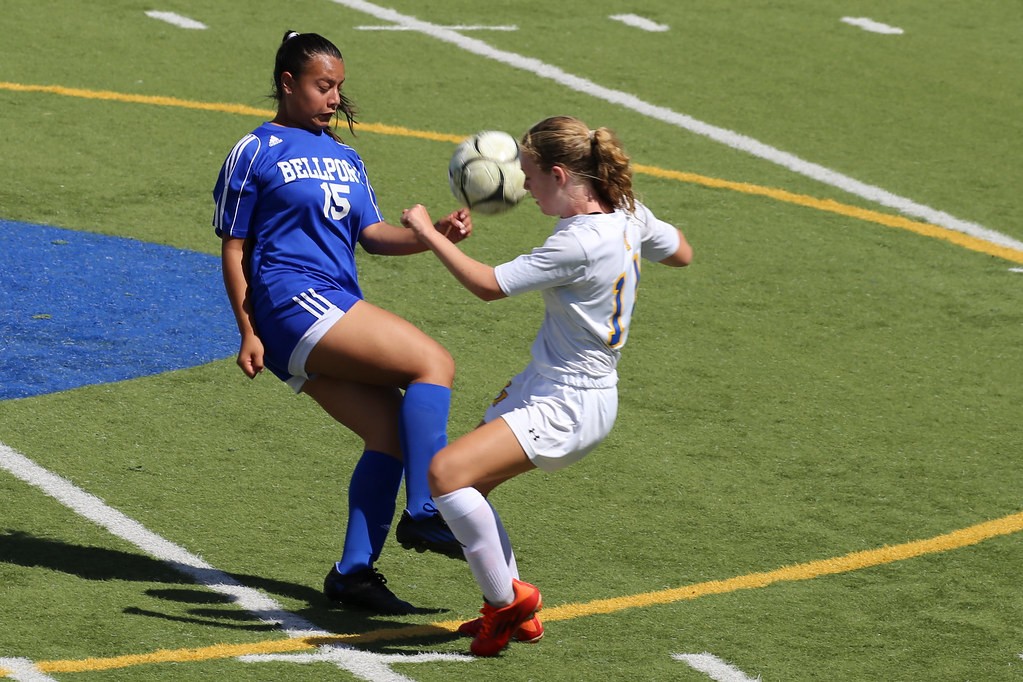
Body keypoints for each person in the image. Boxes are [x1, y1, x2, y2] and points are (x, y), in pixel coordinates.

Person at [400, 115, 693, 655]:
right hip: (554, 384)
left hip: (568, 402)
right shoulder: (627, 213)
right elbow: (681, 251)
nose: (523, 188)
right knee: (470, 487)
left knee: (444, 474)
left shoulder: (579, 243)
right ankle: (507, 607)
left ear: (560, 175)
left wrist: (424, 232)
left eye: (530, 176)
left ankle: (510, 604)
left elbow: (488, 286)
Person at [212, 30, 470, 616]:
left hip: (325, 305)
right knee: (435, 362)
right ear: (287, 83)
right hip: (288, 301)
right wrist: (246, 329)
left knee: (389, 435)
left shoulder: (347, 156)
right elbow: (234, 247)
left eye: (339, 87)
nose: (334, 98)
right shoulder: (255, 149)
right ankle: (427, 510)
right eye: (323, 86)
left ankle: (353, 575)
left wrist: (432, 236)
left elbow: (371, 236)